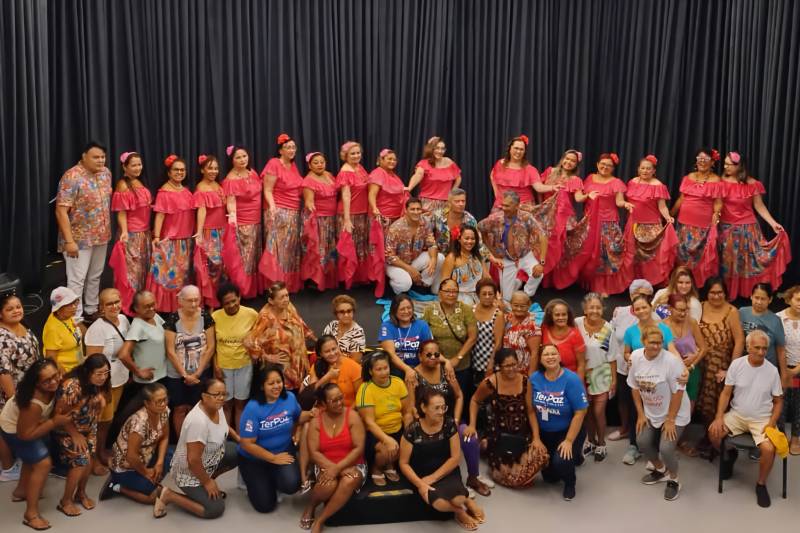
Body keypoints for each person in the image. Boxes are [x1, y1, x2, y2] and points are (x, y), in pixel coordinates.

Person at [709, 330, 784, 507]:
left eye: (764, 348)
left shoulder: (772, 371)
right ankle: (729, 455)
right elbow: (726, 393)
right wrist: (719, 417)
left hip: (762, 419)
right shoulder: (737, 365)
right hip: (737, 415)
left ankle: (761, 484)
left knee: (768, 449)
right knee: (713, 433)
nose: (761, 352)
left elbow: (778, 402)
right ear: (748, 347)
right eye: (757, 347)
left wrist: (771, 423)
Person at [408, 340, 489, 497]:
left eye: (436, 354)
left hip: (450, 421)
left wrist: (456, 421)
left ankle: (473, 477)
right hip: (427, 424)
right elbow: (411, 407)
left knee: (470, 439)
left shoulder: (446, 370)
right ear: (420, 356)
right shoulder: (413, 375)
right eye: (428, 355)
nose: (433, 357)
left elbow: (459, 396)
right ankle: (446, 483)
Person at [0, 360, 72, 530]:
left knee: (31, 459)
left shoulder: (56, 383)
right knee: (42, 463)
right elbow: (25, 435)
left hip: (31, 424)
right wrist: (54, 422)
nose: (54, 381)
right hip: (14, 429)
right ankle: (30, 514)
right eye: (47, 381)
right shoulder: (33, 403)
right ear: (37, 383)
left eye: (55, 375)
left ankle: (21, 491)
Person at [400, 389, 485, 530]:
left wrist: (433, 477)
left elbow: (455, 458)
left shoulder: (449, 424)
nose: (441, 412)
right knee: (439, 504)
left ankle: (467, 501)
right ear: (423, 408)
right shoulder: (412, 430)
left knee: (458, 499)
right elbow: (403, 463)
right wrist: (420, 484)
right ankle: (460, 511)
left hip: (446, 471)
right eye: (436, 408)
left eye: (443, 407)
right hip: (422, 475)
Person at [156, 379, 240, 519]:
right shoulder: (198, 422)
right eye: (217, 394)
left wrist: (238, 438)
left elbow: (224, 425)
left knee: (238, 451)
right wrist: (207, 482)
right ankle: (169, 495)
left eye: (224, 394)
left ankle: (206, 484)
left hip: (209, 459)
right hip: (190, 472)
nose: (221, 398)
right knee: (215, 509)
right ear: (204, 396)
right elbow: (193, 460)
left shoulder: (216, 406)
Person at [465, 349, 549, 488]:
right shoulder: (490, 383)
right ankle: (488, 445)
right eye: (507, 366)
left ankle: (488, 447)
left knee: (542, 455)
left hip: (522, 435)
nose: (512, 369)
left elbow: (530, 411)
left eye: (514, 364)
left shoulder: (525, 381)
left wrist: (536, 438)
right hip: (498, 437)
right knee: (513, 480)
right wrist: (472, 425)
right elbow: (474, 400)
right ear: (499, 366)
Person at [629, 326, 692, 501]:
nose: (656, 346)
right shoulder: (635, 357)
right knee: (642, 441)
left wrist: (670, 419)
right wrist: (641, 414)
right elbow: (634, 387)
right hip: (651, 412)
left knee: (666, 448)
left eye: (659, 343)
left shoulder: (671, 361)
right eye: (652, 342)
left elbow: (678, 391)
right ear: (643, 342)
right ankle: (660, 469)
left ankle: (674, 479)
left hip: (675, 412)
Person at [717, 151, 790, 300]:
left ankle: (750, 294)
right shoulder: (720, 182)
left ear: (740, 166)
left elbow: (759, 206)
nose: (725, 167)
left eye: (729, 165)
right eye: (724, 164)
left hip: (748, 230)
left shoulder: (753, 184)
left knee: (749, 262)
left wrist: (773, 223)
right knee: (729, 264)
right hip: (727, 230)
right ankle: (730, 294)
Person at [238, 364, 310, 513]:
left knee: (291, 485)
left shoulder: (289, 398)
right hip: (255, 458)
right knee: (265, 506)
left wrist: (312, 414)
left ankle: (271, 476)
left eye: (279, 381)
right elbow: (247, 444)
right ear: (262, 386)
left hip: (282, 450)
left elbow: (297, 416)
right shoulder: (252, 408)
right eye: (271, 383)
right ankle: (249, 477)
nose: (277, 386)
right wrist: (272, 458)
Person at [54, 141, 112, 322]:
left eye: (103, 157)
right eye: (96, 157)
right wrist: (69, 241)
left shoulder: (106, 173)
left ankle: (91, 308)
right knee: (77, 279)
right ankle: (76, 318)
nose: (100, 160)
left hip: (101, 235)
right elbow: (61, 211)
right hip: (78, 239)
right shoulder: (71, 176)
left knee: (95, 275)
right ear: (84, 157)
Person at [300, 383, 367, 533]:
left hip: (353, 464)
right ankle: (311, 507)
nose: (339, 403)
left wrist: (337, 468)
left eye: (340, 398)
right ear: (324, 404)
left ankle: (320, 519)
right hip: (325, 464)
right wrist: (334, 469)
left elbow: (359, 448)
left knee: (349, 480)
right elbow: (314, 452)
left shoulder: (353, 416)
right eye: (334, 401)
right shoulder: (316, 421)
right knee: (328, 484)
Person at [621, 294, 678, 464]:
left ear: (651, 307)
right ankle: (634, 446)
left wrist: (682, 369)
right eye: (637, 308)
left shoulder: (664, 329)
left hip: (660, 381)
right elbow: (626, 352)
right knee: (636, 412)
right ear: (634, 311)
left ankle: (655, 451)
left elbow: (672, 350)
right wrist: (628, 358)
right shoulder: (630, 331)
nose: (641, 311)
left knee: (659, 414)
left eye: (644, 307)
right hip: (639, 379)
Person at [53, 354, 110, 517]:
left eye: (106, 373)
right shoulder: (72, 386)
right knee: (81, 460)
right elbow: (59, 415)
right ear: (88, 372)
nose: (103, 377)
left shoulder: (96, 383)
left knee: (89, 458)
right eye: (99, 373)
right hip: (68, 429)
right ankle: (65, 501)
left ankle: (81, 493)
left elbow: (94, 398)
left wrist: (100, 399)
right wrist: (75, 434)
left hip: (88, 427)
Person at [531, 344, 588, 500]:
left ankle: (570, 483)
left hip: (568, 430)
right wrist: (536, 438)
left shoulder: (571, 379)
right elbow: (531, 410)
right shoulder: (534, 378)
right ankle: (575, 457)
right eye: (546, 354)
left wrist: (569, 441)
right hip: (545, 432)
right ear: (540, 359)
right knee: (550, 478)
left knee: (562, 460)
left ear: (560, 357)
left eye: (554, 354)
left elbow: (580, 412)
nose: (550, 357)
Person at [84, 288, 130, 470]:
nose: (114, 306)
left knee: (107, 420)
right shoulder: (97, 329)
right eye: (109, 303)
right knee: (97, 423)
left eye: (117, 302)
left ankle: (101, 450)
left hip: (119, 380)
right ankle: (94, 458)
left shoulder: (124, 320)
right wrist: (97, 390)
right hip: (103, 385)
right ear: (101, 307)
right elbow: (92, 363)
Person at [103, 382, 170, 504]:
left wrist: (159, 463)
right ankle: (116, 486)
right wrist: (146, 473)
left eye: (165, 399)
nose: (163, 404)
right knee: (152, 494)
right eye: (158, 401)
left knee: (171, 455)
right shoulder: (139, 423)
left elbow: (165, 437)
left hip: (146, 457)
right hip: (127, 466)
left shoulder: (164, 411)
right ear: (147, 403)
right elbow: (131, 456)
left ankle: (145, 479)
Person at [578, 152, 634, 296]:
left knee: (606, 255)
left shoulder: (616, 182)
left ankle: (604, 287)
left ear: (613, 168)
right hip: (590, 221)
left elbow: (619, 201)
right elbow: (581, 196)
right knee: (590, 253)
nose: (605, 167)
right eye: (603, 164)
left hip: (608, 222)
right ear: (597, 165)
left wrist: (625, 204)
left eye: (609, 165)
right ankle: (590, 284)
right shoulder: (589, 178)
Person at [164, 285, 216, 435]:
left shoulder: (205, 317)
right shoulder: (173, 319)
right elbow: (170, 351)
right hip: (176, 374)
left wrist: (197, 373)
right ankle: (181, 441)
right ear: (180, 301)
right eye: (189, 300)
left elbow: (211, 347)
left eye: (196, 300)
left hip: (201, 371)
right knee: (179, 408)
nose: (193, 304)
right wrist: (185, 375)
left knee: (198, 407)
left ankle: (197, 438)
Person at [608, 279, 655, 443]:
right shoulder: (620, 311)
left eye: (645, 295)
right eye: (637, 294)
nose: (640, 297)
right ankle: (624, 429)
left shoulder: (657, 311)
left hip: (650, 368)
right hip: (623, 365)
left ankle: (644, 436)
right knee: (624, 400)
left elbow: (672, 319)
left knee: (645, 402)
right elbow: (611, 332)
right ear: (630, 295)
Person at [0, 293, 41, 482]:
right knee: (5, 429)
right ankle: (7, 468)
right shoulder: (2, 337)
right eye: (9, 309)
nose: (16, 311)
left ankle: (21, 461)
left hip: (29, 389)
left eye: (18, 307)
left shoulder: (23, 325)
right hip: (10, 392)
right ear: (1, 314)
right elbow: (3, 372)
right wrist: (14, 400)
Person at [245, 282, 315, 391]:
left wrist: (314, 338)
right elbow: (249, 342)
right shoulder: (266, 318)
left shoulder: (288, 306)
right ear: (271, 301)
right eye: (281, 297)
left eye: (287, 295)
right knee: (283, 395)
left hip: (297, 362)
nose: (286, 299)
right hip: (282, 370)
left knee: (299, 393)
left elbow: (299, 322)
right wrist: (267, 357)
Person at [356, 351, 412, 487]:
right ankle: (377, 468)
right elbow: (369, 423)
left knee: (406, 446)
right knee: (386, 451)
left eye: (385, 368)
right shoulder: (365, 389)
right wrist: (387, 439)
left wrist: (408, 434)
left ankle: (389, 465)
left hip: (397, 428)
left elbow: (407, 412)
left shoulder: (398, 382)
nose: (383, 372)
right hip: (375, 433)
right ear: (371, 371)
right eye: (379, 369)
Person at [696, 278, 746, 434]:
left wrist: (731, 370)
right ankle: (706, 435)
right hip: (699, 362)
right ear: (707, 293)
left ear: (725, 293)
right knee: (699, 402)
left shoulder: (732, 311)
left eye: (720, 292)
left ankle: (716, 437)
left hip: (721, 367)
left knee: (716, 402)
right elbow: (668, 314)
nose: (716, 296)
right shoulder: (699, 307)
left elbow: (739, 341)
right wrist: (661, 302)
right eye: (712, 292)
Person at [478, 191, 546, 302]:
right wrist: (490, 249)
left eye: (507, 205)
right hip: (506, 259)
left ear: (517, 205)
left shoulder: (526, 217)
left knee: (538, 273)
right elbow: (480, 228)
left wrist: (541, 263)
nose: (503, 208)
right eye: (503, 205)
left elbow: (543, 236)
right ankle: (516, 284)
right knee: (506, 299)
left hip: (525, 255)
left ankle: (525, 294)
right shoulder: (495, 218)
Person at [147, 154, 195, 312]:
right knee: (168, 276)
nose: (180, 172)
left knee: (182, 276)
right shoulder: (164, 192)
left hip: (185, 240)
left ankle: (180, 305)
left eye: (182, 170)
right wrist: (157, 236)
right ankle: (166, 307)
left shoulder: (186, 191)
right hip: (170, 241)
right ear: (169, 172)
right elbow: (160, 215)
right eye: (176, 170)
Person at [671, 148, 723, 287]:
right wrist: (670, 215)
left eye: (706, 159)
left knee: (699, 258)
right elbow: (681, 199)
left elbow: (718, 202)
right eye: (700, 158)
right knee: (681, 256)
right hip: (683, 224)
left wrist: (716, 214)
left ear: (712, 162)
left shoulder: (716, 180)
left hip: (703, 226)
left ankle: (698, 286)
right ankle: (681, 285)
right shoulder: (688, 177)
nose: (702, 161)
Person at [423, 278, 477, 408]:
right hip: (436, 364)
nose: (451, 294)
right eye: (448, 291)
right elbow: (425, 338)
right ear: (439, 293)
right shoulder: (430, 310)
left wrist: (458, 358)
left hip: (461, 365)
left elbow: (472, 337)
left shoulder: (465, 309)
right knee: (438, 400)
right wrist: (442, 359)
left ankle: (458, 420)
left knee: (460, 398)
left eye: (455, 291)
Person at [624, 155, 677, 287]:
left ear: (654, 171)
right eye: (643, 168)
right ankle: (635, 284)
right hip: (633, 224)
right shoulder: (632, 182)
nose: (645, 171)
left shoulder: (658, 186)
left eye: (648, 169)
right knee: (633, 255)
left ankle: (651, 284)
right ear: (638, 169)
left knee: (650, 258)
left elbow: (662, 207)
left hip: (651, 226)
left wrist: (668, 217)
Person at [109, 151, 152, 315]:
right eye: (133, 165)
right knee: (131, 274)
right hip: (132, 235)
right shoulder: (123, 185)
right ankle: (127, 308)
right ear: (124, 167)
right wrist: (125, 231)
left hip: (144, 234)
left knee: (142, 272)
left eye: (139, 164)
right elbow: (121, 212)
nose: (137, 168)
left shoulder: (139, 182)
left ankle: (140, 305)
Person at [260, 133, 304, 292]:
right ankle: (275, 284)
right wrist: (273, 207)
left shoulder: (293, 166)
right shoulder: (274, 164)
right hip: (278, 212)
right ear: (280, 150)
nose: (291, 150)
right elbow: (267, 189)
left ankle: (286, 285)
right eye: (288, 147)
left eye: (293, 147)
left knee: (289, 250)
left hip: (293, 213)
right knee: (277, 249)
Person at [212, 283, 258, 431]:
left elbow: (260, 336)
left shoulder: (251, 314)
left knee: (240, 404)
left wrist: (255, 350)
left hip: (244, 366)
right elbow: (211, 346)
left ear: (239, 298)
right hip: (223, 367)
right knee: (225, 404)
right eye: (227, 303)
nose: (231, 305)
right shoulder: (215, 317)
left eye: (234, 300)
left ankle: (240, 437)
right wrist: (215, 366)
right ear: (221, 304)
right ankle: (224, 437)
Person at [541, 149, 589, 290]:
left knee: (559, 247)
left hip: (564, 217)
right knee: (545, 246)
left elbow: (578, 198)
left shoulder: (575, 180)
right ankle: (543, 280)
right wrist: (541, 206)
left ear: (576, 165)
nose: (569, 162)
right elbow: (539, 188)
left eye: (573, 161)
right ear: (562, 159)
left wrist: (588, 195)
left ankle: (557, 281)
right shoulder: (550, 172)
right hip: (547, 215)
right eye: (567, 159)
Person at [575, 293, 615, 461]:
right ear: (585, 309)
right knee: (587, 412)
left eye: (598, 307)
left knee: (598, 412)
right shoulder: (576, 323)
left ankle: (601, 443)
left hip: (602, 374)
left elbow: (612, 357)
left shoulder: (609, 328)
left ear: (603, 309)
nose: (595, 310)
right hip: (581, 374)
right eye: (591, 307)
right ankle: (590, 441)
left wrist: (614, 380)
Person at [222, 145, 263, 298]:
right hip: (243, 222)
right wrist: (233, 220)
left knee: (253, 256)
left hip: (256, 221)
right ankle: (243, 291)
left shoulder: (252, 172)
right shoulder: (230, 180)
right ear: (232, 160)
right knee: (245, 257)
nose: (242, 160)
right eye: (238, 157)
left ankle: (254, 289)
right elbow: (231, 203)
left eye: (244, 156)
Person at [384, 197, 444, 295]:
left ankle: (421, 284)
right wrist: (410, 269)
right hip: (396, 264)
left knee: (440, 258)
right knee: (405, 284)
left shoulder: (425, 222)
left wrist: (433, 259)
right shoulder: (396, 228)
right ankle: (395, 287)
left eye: (418, 209)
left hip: (413, 261)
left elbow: (431, 244)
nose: (416, 212)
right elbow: (389, 257)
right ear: (406, 210)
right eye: (412, 209)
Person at [662, 294, 707, 423]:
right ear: (670, 308)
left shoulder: (692, 322)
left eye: (685, 310)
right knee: (671, 403)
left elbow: (704, 348)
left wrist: (693, 362)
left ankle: (682, 431)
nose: (683, 313)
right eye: (680, 310)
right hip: (671, 372)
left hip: (692, 369)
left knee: (689, 404)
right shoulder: (662, 326)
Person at [117, 290, 168, 396]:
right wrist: (138, 372)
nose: (151, 308)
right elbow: (123, 354)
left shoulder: (155, 316)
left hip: (162, 375)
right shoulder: (137, 326)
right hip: (148, 382)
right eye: (146, 306)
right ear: (136, 308)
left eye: (153, 304)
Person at [302, 152, 339, 290]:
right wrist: (313, 223)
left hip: (332, 218)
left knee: (330, 249)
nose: (319, 165)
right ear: (310, 165)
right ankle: (316, 280)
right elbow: (309, 202)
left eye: (322, 162)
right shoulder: (308, 181)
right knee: (319, 250)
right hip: (319, 220)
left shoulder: (329, 175)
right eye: (316, 162)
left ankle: (328, 278)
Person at [336, 141, 372, 287]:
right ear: (345, 156)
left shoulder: (359, 168)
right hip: (350, 214)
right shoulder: (346, 171)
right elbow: (345, 195)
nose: (356, 156)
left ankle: (359, 277)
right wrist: (346, 219)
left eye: (358, 153)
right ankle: (348, 278)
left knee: (360, 246)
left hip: (362, 213)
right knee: (349, 246)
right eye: (352, 153)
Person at [193, 154, 226, 308]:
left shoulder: (217, 185)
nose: (213, 171)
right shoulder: (201, 188)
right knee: (212, 266)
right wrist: (199, 232)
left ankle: (219, 298)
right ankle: (210, 302)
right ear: (202, 170)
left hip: (221, 230)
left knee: (221, 267)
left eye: (216, 168)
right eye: (210, 168)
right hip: (209, 232)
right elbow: (201, 210)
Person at [489, 135, 555, 213]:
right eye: (516, 148)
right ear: (510, 149)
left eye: (521, 149)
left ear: (524, 152)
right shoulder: (500, 164)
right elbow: (492, 176)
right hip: (502, 205)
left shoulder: (530, 169)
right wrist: (497, 195)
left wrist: (553, 187)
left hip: (523, 207)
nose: (518, 152)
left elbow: (539, 187)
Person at [378, 294, 433, 379]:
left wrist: (417, 371)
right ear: (394, 311)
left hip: (419, 368)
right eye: (402, 309)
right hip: (395, 369)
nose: (406, 311)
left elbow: (429, 351)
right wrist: (407, 369)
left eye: (409, 308)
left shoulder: (422, 325)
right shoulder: (387, 326)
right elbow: (390, 354)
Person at [738, 283, 786, 372]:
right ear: (751, 296)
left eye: (763, 299)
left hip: (768, 368)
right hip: (746, 366)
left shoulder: (775, 320)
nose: (759, 302)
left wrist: (784, 374)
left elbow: (781, 349)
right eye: (756, 298)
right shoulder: (742, 312)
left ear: (770, 299)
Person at [407, 136, 462, 214]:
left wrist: (452, 193)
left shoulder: (449, 162)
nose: (440, 151)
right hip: (427, 204)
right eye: (437, 148)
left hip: (446, 204)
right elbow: (418, 175)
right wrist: (409, 187)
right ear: (431, 149)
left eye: (442, 149)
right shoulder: (424, 163)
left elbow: (458, 178)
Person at [306, 335, 363, 408]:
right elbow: (309, 394)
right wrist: (327, 377)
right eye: (327, 351)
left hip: (347, 410)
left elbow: (360, 398)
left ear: (338, 347)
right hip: (323, 411)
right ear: (320, 353)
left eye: (334, 349)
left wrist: (347, 412)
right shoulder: (317, 366)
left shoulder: (354, 367)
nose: (332, 353)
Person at [440, 224, 491, 305]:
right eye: (466, 238)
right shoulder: (452, 258)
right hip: (458, 297)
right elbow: (444, 283)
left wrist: (496, 296)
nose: (470, 241)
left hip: (478, 295)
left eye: (473, 239)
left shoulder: (478, 256)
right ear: (459, 239)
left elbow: (487, 277)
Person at [777, 286, 800, 454]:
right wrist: (785, 370)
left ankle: (796, 438)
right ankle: (781, 436)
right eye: (798, 299)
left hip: (799, 369)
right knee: (781, 402)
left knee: (798, 404)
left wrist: (796, 370)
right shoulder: (778, 318)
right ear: (789, 299)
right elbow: (776, 345)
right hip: (781, 367)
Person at [540, 299, 586, 381]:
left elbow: (581, 364)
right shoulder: (544, 328)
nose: (561, 318)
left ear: (568, 315)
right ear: (551, 316)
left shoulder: (575, 335)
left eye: (564, 314)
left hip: (569, 381)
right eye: (557, 315)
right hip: (547, 379)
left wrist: (578, 385)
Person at [430, 188, 483, 257]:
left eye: (463, 201)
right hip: (439, 255)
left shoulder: (470, 220)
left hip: (462, 256)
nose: (461, 204)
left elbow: (479, 242)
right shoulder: (438, 216)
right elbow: (428, 234)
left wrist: (491, 258)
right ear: (449, 203)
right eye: (457, 201)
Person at [42, 286, 83, 375]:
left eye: (75, 303)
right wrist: (66, 378)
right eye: (69, 305)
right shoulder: (53, 328)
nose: (74, 307)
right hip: (67, 373)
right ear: (59, 308)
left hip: (78, 368)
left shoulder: (67, 317)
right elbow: (51, 359)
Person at [471, 279, 505, 382]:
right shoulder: (471, 310)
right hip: (472, 359)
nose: (487, 297)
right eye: (484, 294)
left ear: (494, 295)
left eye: (490, 294)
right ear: (478, 295)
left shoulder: (498, 315)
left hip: (488, 360)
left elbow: (498, 343)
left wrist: (491, 364)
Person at [502, 291, 541, 375]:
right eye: (516, 305)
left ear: (529, 305)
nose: (519, 309)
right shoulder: (507, 318)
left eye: (522, 306)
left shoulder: (533, 325)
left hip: (523, 372)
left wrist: (530, 377)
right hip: (507, 370)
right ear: (510, 304)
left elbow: (535, 353)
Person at [368, 148, 408, 231]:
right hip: (383, 217)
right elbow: (372, 194)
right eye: (389, 159)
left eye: (394, 160)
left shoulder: (392, 174)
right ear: (381, 160)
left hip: (395, 217)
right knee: (382, 238)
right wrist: (374, 208)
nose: (392, 161)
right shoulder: (378, 173)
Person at [322, 295, 366, 362]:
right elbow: (323, 347)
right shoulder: (332, 325)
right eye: (342, 312)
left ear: (353, 311)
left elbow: (355, 361)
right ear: (336, 313)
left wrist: (333, 355)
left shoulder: (358, 332)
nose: (346, 315)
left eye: (349, 311)